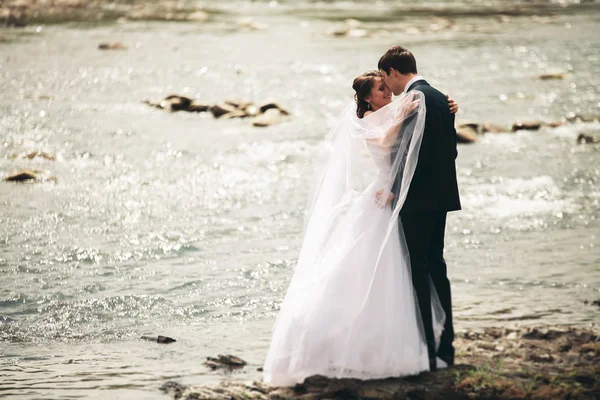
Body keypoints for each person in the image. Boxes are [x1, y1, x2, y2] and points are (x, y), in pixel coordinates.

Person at [262, 69, 459, 386]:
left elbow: (420, 133)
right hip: (382, 199)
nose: (387, 92)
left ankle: (407, 340)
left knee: (397, 274)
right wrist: (405, 112)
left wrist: (446, 107)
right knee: (367, 271)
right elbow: (385, 141)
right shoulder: (366, 119)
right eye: (380, 89)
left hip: (393, 196)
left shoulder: (393, 109)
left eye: (386, 86)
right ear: (367, 97)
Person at [378, 46, 461, 371]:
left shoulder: (413, 100)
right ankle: (448, 343)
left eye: (386, 78)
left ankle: (426, 348)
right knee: (437, 266)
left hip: (414, 200)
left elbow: (406, 155)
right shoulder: (442, 98)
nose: (389, 86)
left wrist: (392, 190)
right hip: (440, 198)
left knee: (418, 271)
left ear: (393, 72)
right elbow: (450, 153)